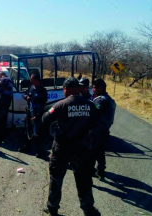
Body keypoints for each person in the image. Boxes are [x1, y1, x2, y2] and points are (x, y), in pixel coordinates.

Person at [42, 77, 100, 216]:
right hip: (82, 148)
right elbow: (97, 119)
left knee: (56, 177)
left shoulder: (60, 105)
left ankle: (52, 207)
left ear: (65, 89)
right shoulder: (91, 104)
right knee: (84, 178)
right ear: (79, 89)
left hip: (62, 147)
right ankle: (88, 208)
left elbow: (45, 118)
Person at [92, 79, 116, 180]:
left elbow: (93, 113)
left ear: (100, 88)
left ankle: (93, 171)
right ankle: (101, 171)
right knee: (100, 151)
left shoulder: (100, 101)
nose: (93, 89)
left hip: (97, 131)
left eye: (94, 87)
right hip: (105, 130)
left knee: (92, 151)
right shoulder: (109, 99)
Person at [18, 71, 48, 155]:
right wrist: (26, 97)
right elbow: (24, 94)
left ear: (37, 80)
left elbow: (43, 106)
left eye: (32, 79)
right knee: (27, 130)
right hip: (29, 113)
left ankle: (40, 151)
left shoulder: (42, 90)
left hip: (37, 115)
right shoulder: (31, 87)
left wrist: (37, 116)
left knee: (38, 133)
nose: (30, 81)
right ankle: (26, 147)